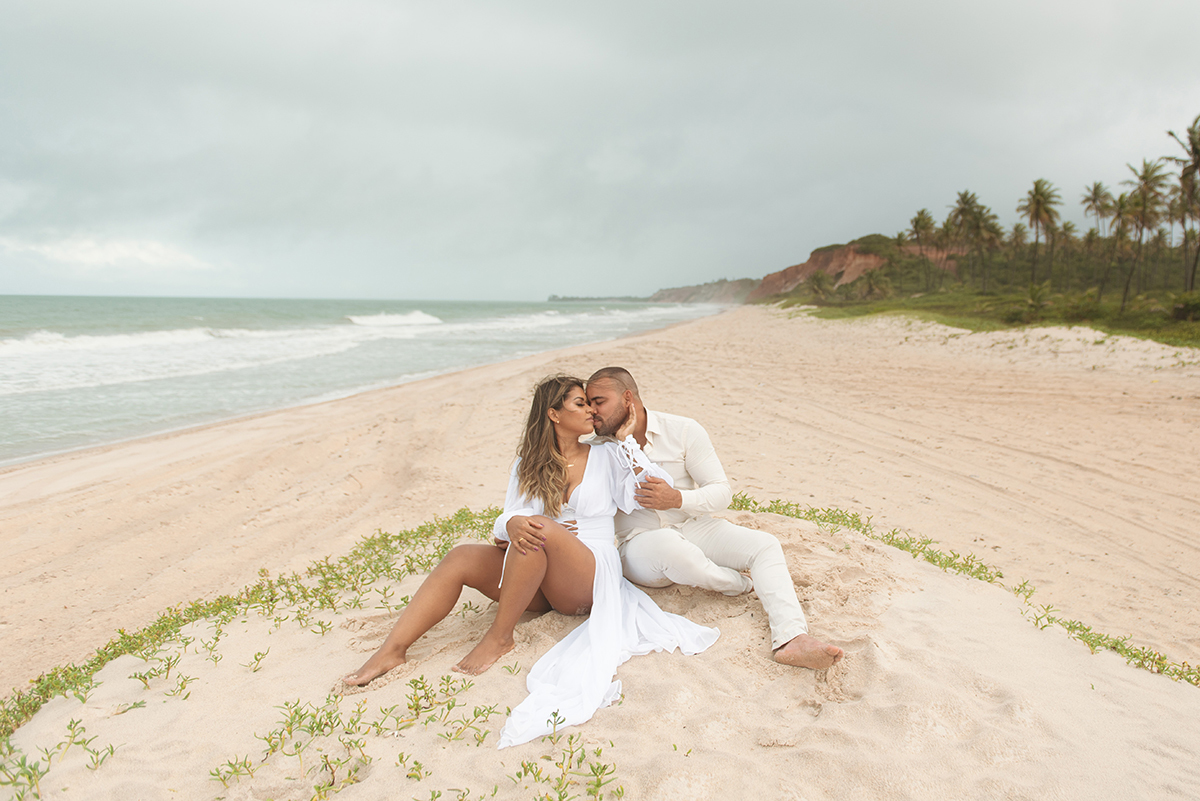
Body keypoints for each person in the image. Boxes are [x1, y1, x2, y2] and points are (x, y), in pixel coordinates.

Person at [344, 375, 717, 748]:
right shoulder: (529, 463)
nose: (590, 410)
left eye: (590, 403)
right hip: (537, 573)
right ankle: (392, 651)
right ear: (553, 414)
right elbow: (505, 518)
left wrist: (626, 442)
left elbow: (652, 487)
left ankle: (500, 637)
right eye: (579, 404)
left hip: (588, 576)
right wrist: (512, 522)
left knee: (539, 528)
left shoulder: (607, 454)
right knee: (463, 556)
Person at [585, 367, 843, 671]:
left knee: (765, 545)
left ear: (628, 398)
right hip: (640, 546)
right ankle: (737, 584)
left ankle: (792, 638)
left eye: (598, 401)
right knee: (670, 546)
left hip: (695, 527)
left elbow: (722, 493)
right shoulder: (594, 449)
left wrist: (677, 498)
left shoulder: (682, 430)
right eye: (587, 403)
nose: (591, 411)